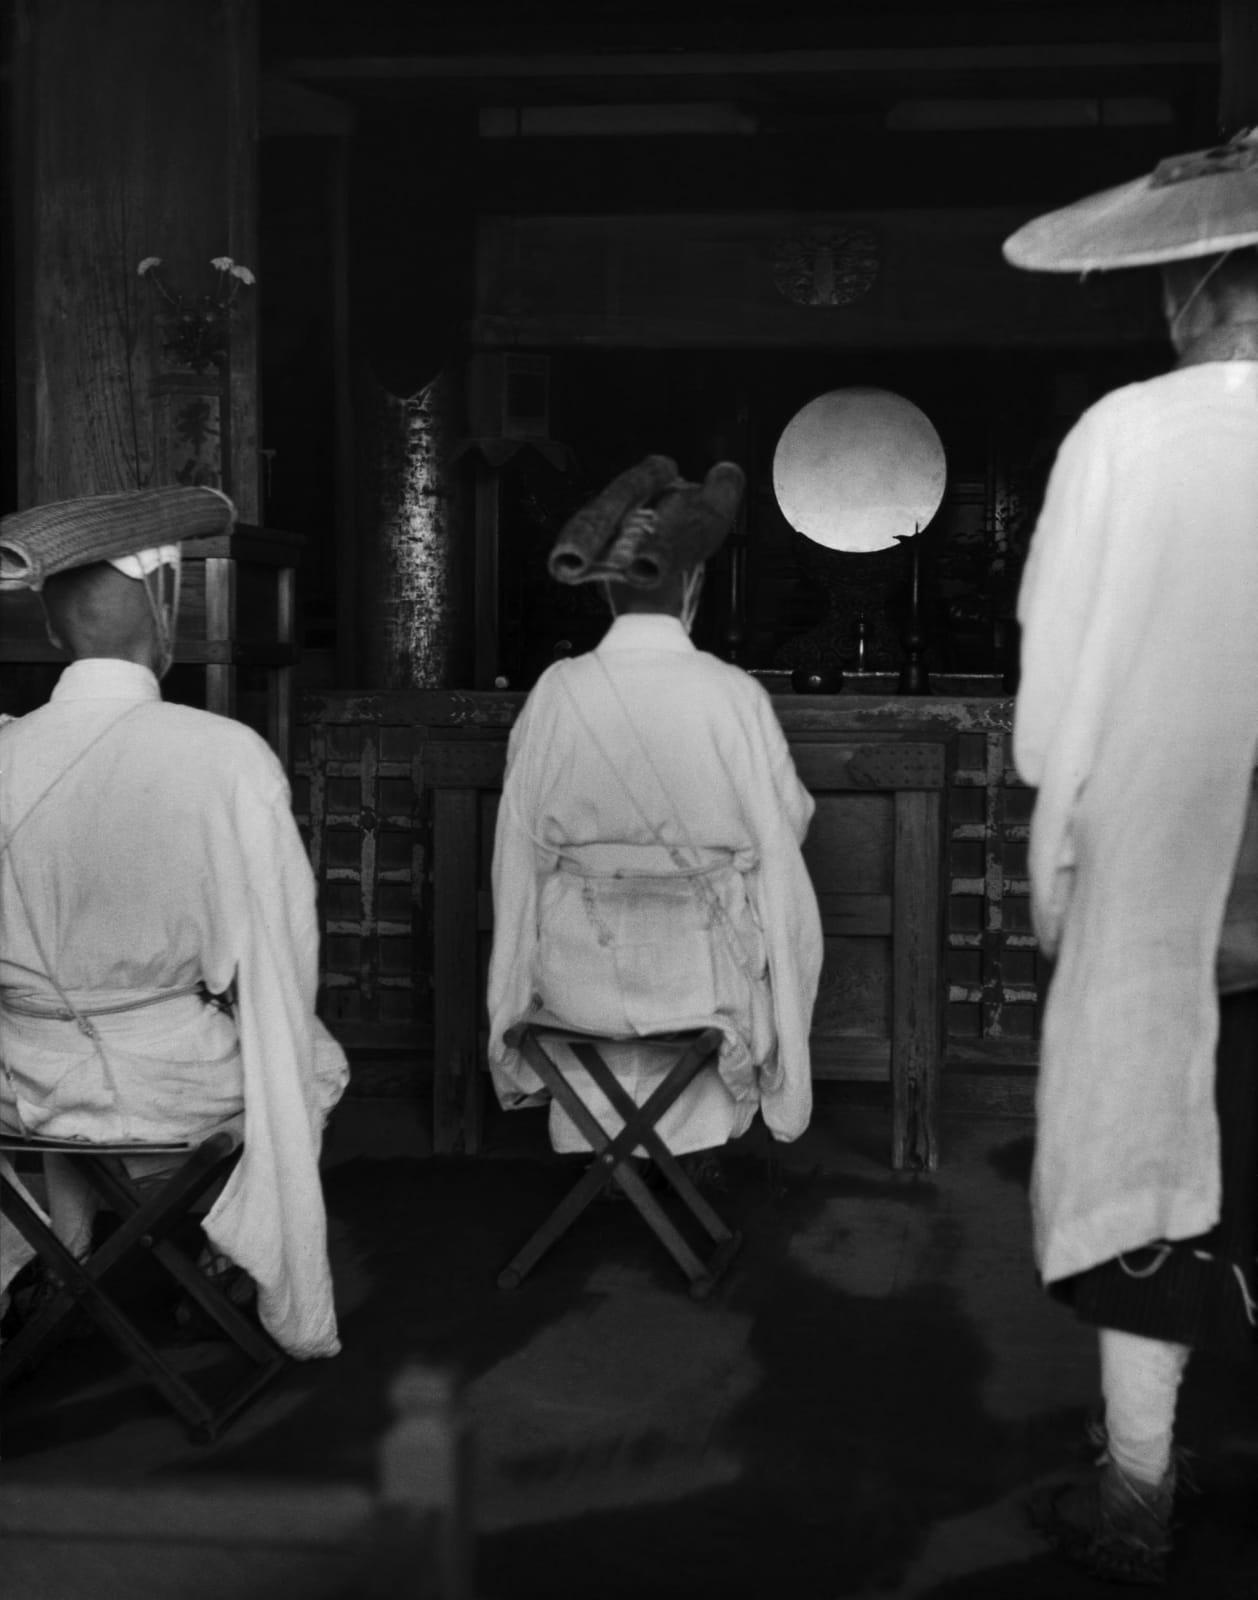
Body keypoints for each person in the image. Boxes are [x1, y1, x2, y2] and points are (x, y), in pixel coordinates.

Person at [1003, 127, 1258, 1583]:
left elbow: (1052, 711)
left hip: (1161, 877)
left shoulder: (1119, 435)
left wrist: (1061, 828)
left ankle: (1138, 1504)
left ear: (1181, 293)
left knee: (1148, 1191)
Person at [0, 485, 348, 1360]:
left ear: (51, 631)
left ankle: (61, 1256)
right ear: (166, 608)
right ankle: (236, 1258)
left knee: (67, 1055)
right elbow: (276, 962)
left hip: (20, 1088)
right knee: (315, 1061)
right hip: (165, 1087)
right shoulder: (222, 757)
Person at [487, 456, 823, 1166]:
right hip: (700, 987)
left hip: (579, 987)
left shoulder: (558, 690)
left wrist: (508, 998)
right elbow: (783, 827)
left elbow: (515, 849)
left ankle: (606, 1145)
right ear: (694, 587)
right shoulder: (730, 694)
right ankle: (684, 1149)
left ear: (607, 592)